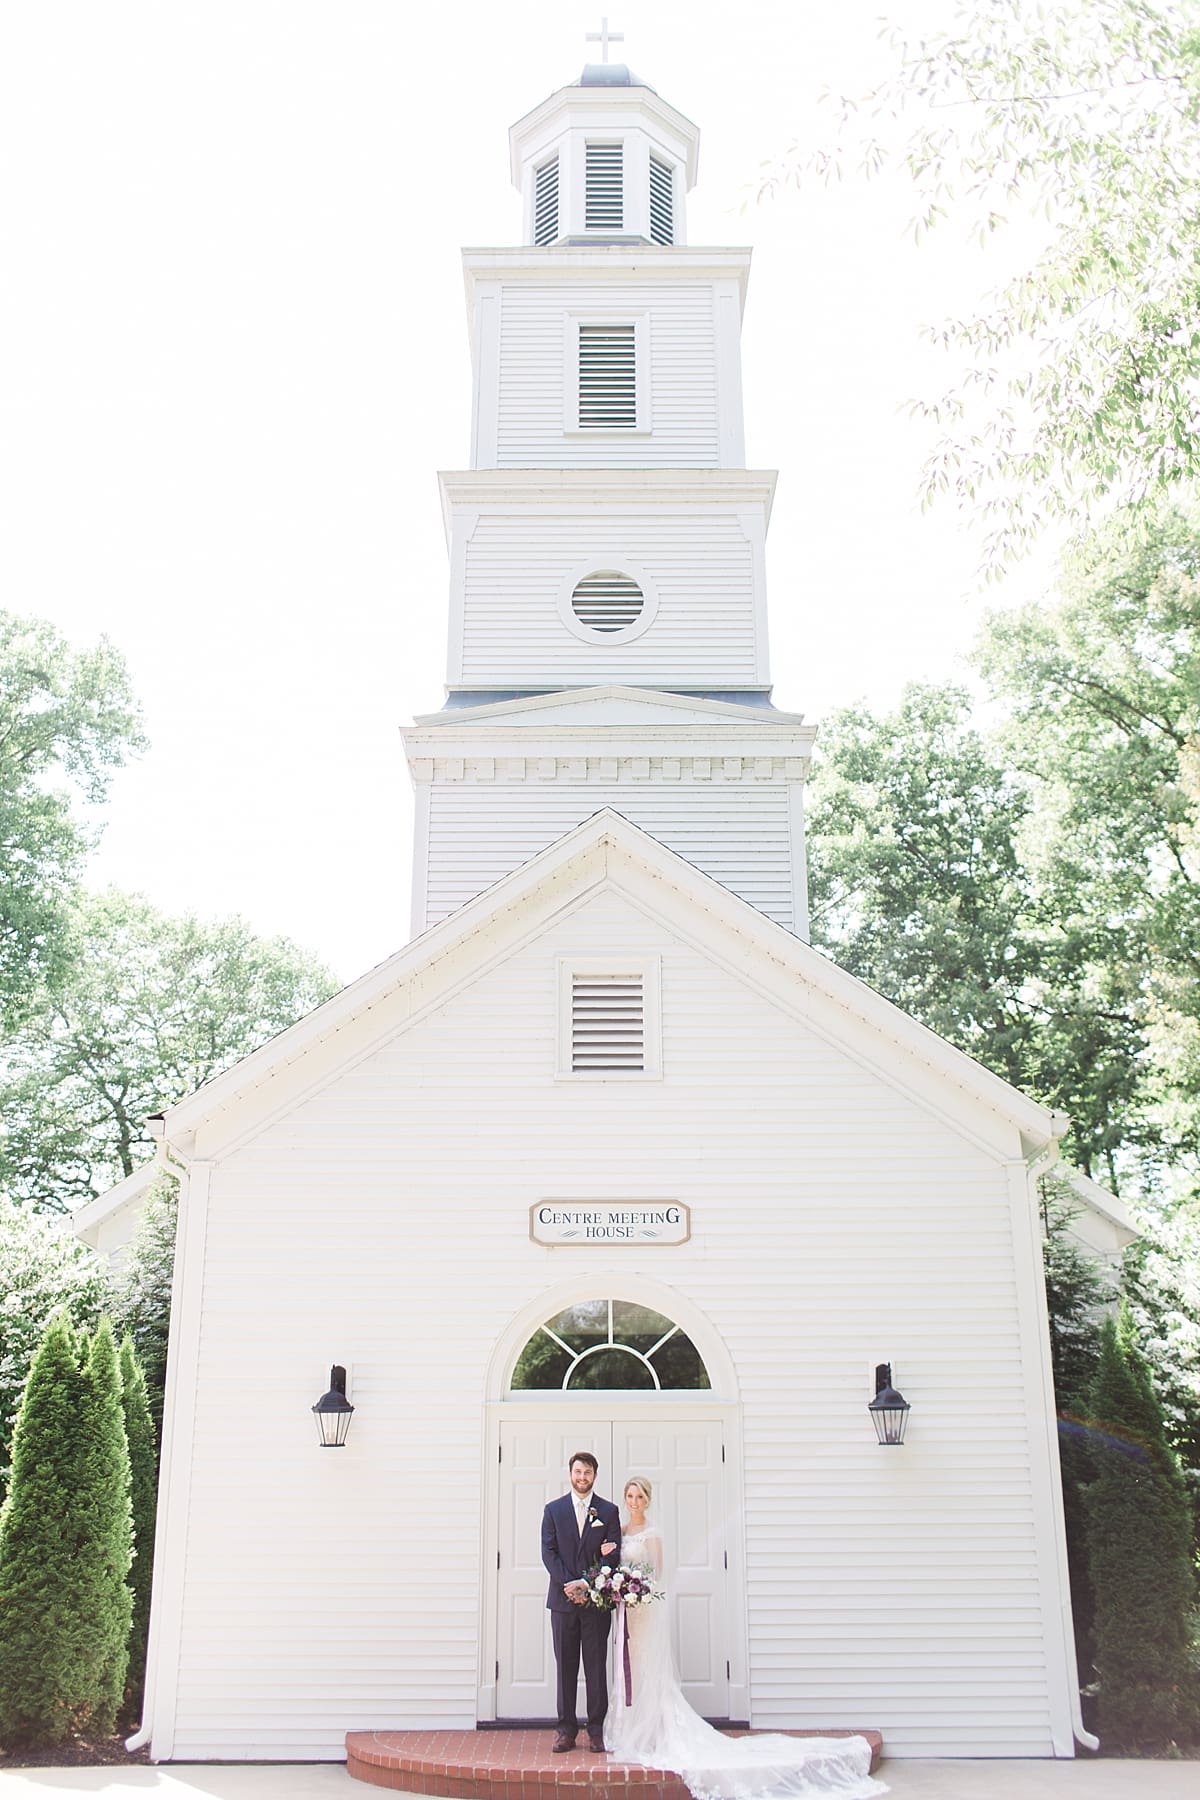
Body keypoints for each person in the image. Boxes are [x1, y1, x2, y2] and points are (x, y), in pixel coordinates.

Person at [606, 1477, 887, 1800]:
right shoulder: (621, 1532)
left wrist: (636, 1591)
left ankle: (654, 1732)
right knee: (631, 1670)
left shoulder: (652, 1535)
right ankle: (633, 1727)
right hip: (625, 1614)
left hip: (645, 1613)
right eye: (629, 1495)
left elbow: (655, 1577)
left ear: (647, 1499)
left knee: (649, 1670)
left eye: (639, 1495)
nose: (633, 1501)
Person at [540, 1451, 623, 1753]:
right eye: (578, 1472)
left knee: (595, 1666)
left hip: (596, 1603)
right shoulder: (553, 1510)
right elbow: (549, 1553)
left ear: (595, 1475)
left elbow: (612, 1556)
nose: (582, 1477)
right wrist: (569, 1584)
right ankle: (565, 1730)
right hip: (562, 1602)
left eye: (587, 1472)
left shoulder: (608, 1511)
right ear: (570, 1473)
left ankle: (597, 1729)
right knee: (566, 1667)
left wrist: (587, 1584)